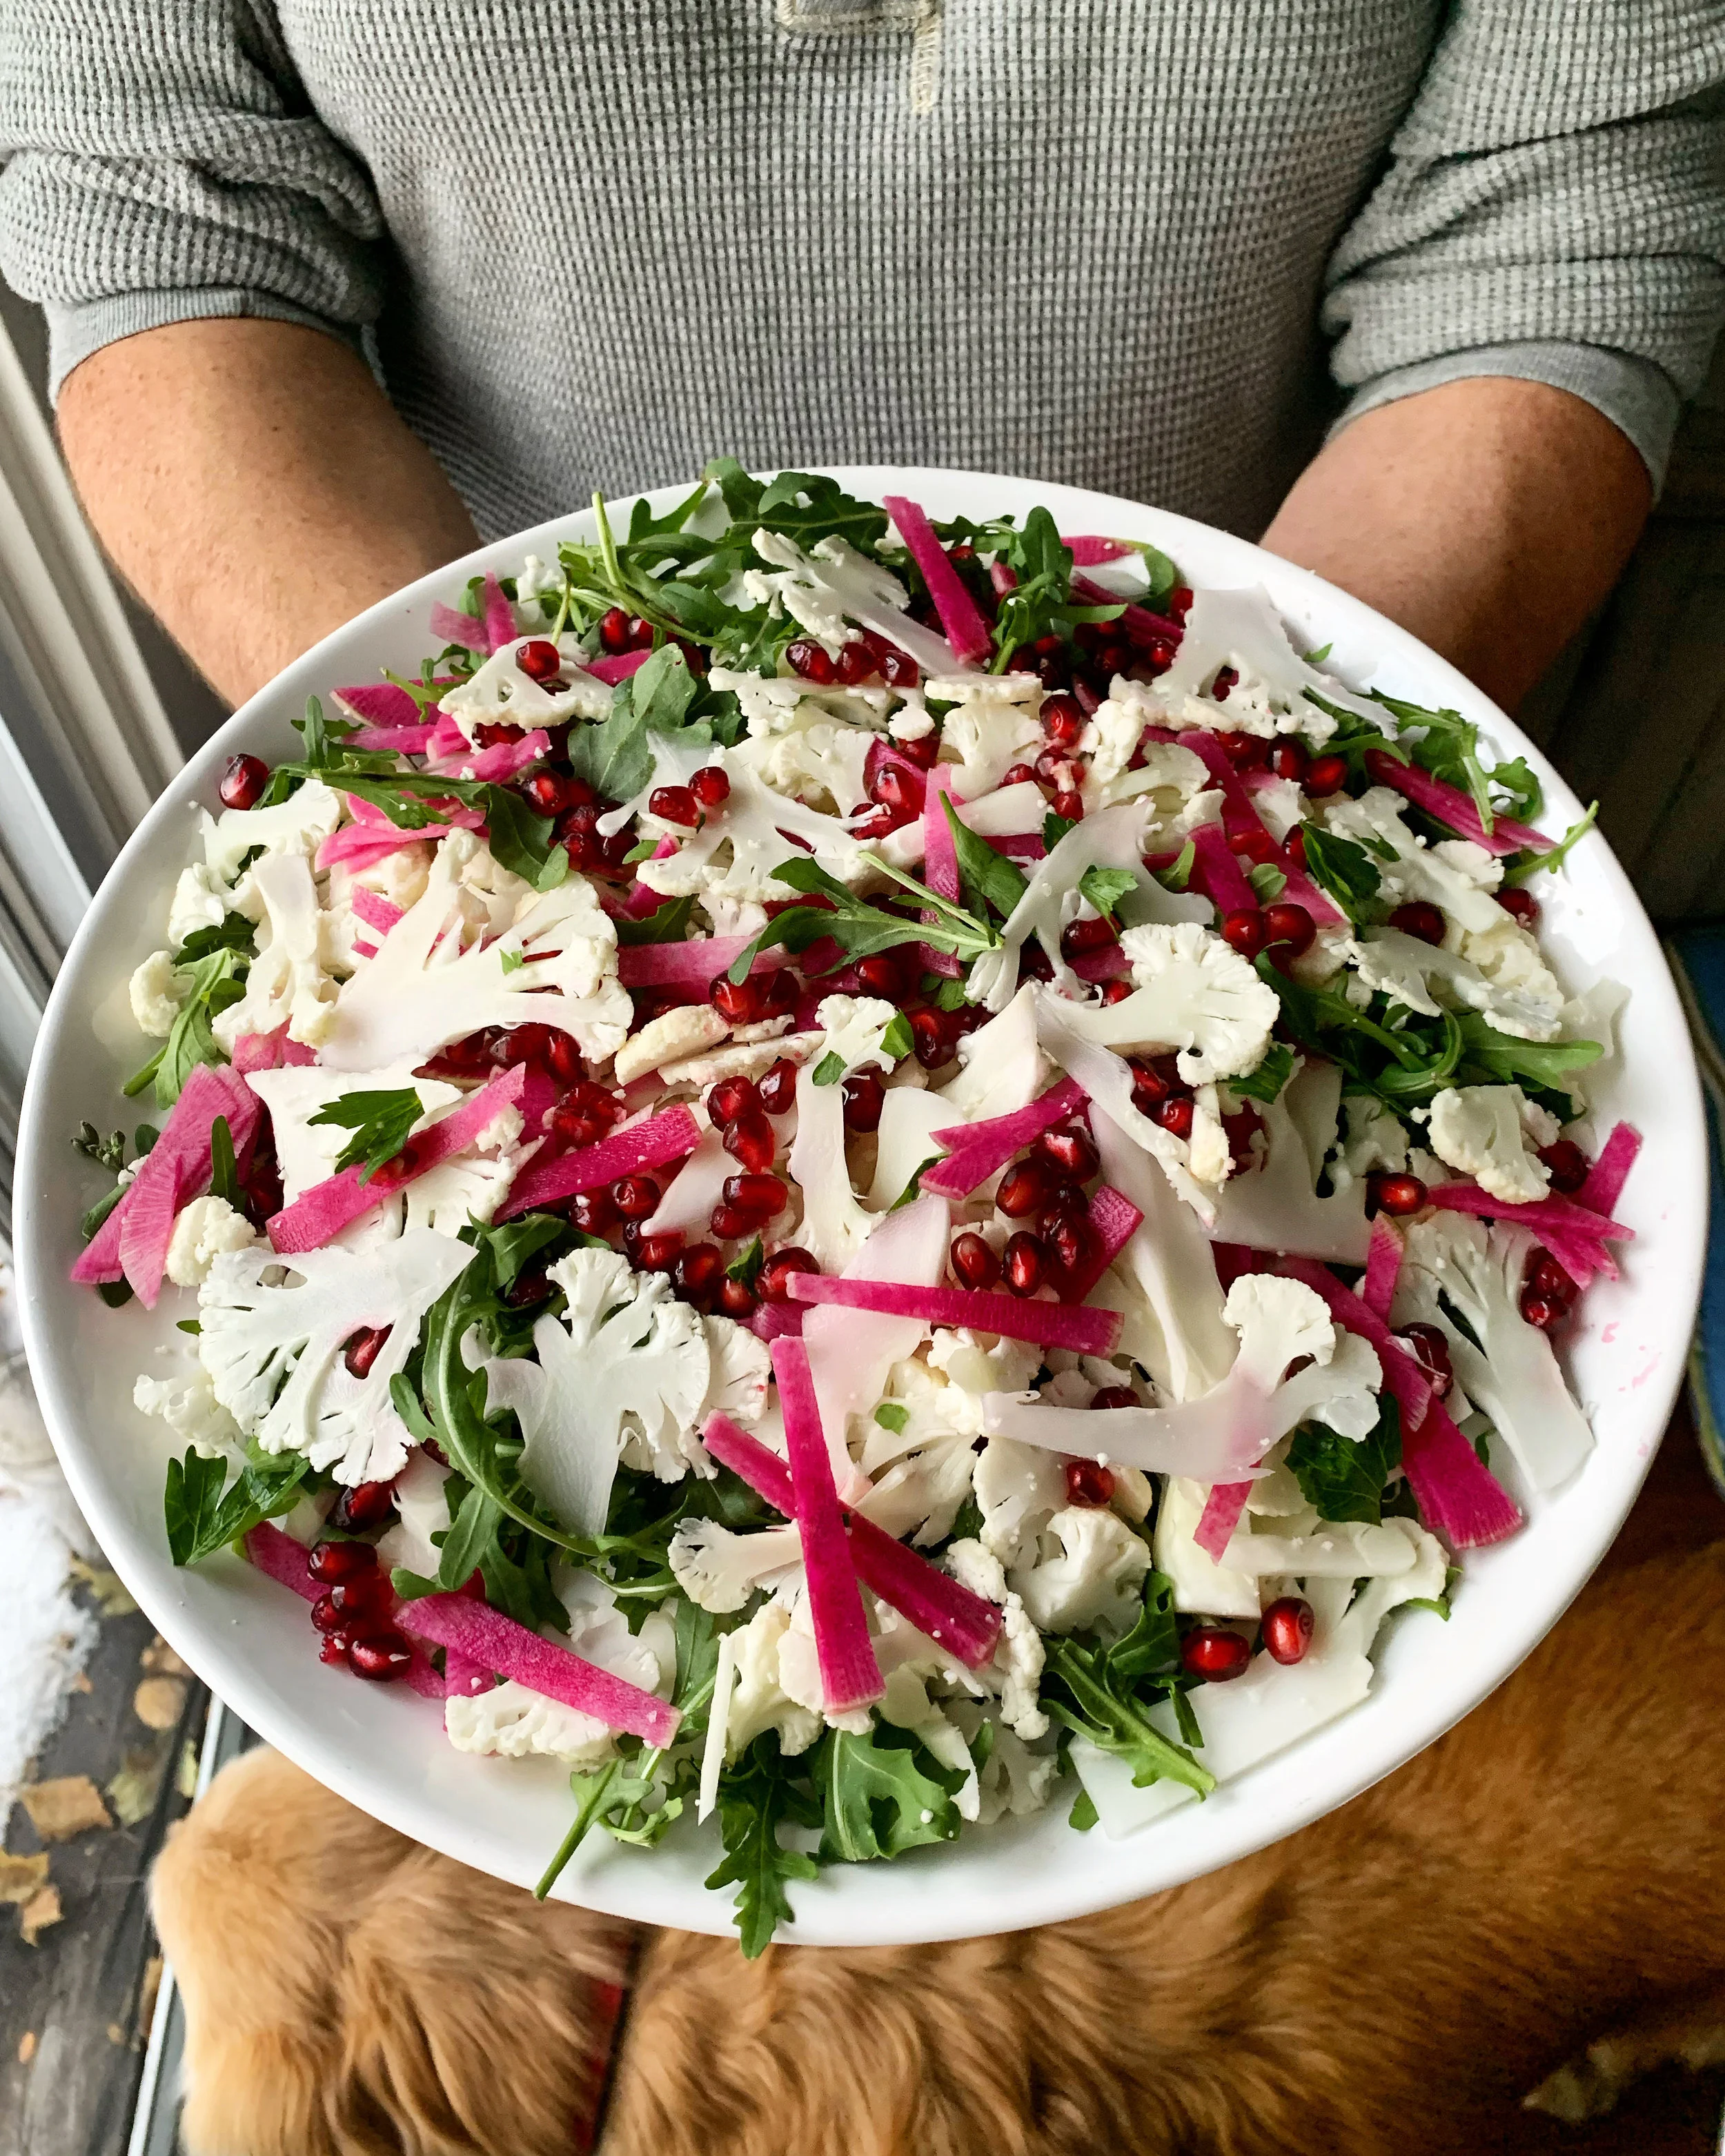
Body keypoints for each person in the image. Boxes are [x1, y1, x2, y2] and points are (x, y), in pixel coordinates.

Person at [0, 5, 1721, 729]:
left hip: (1255, 665)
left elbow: (1544, 229)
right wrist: (496, 784)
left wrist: (1233, 784)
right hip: (516, 693)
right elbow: (166, 223)